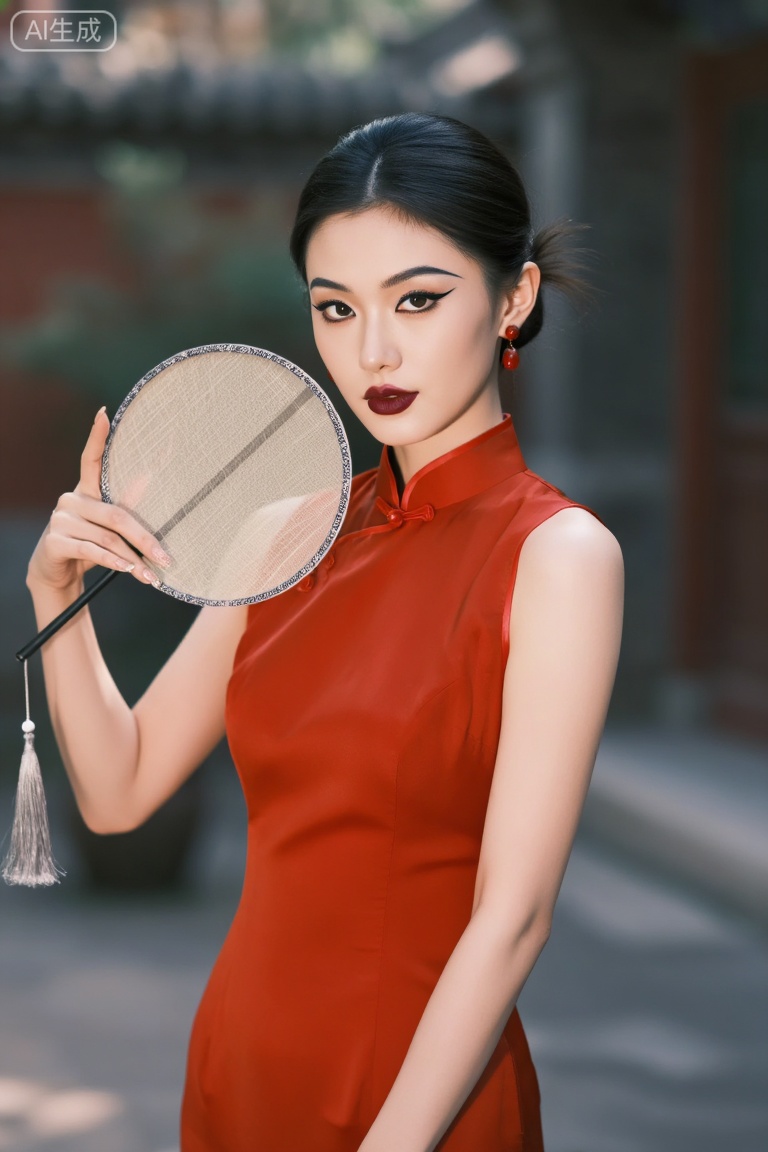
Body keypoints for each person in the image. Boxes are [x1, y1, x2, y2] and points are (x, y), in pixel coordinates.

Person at [25, 113, 624, 1151]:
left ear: (514, 298)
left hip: (421, 1105)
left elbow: (514, 917)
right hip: (238, 1069)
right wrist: (54, 594)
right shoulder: (285, 533)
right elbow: (119, 793)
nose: (373, 351)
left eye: (420, 300)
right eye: (335, 309)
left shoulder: (559, 556)